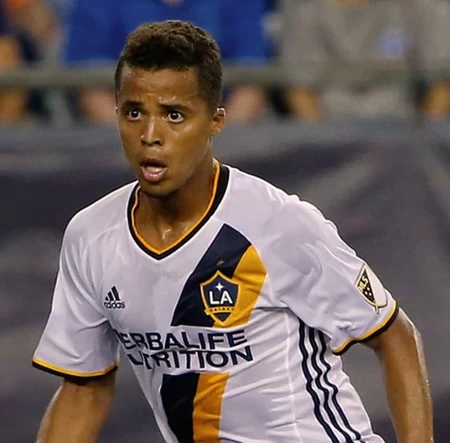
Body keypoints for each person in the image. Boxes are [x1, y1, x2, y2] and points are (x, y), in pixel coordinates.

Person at [32, 20, 433, 443]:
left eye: (174, 115)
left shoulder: (279, 223)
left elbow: (395, 336)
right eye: (134, 112)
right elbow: (84, 387)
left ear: (215, 121)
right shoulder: (90, 237)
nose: (150, 136)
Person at [64, 0, 270, 124]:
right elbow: (92, 92)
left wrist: (212, 149)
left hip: (221, 141)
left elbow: (252, 85)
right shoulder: (96, 4)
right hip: (121, 146)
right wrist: (137, 145)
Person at [281, 0, 450, 122]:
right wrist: (323, 142)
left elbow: (443, 85)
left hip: (403, 135)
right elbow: (299, 90)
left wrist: (421, 143)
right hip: (330, 136)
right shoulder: (306, 12)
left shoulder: (425, 8)